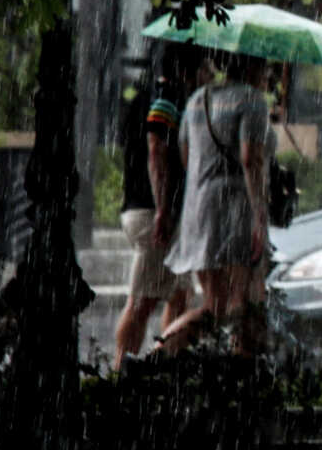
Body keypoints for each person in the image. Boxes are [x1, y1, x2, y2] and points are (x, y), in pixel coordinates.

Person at [159, 53, 275, 357]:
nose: (269, 73)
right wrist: (259, 219)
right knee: (245, 304)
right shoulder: (252, 100)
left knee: (217, 306)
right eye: (266, 66)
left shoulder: (198, 99)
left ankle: (156, 357)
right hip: (234, 212)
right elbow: (251, 160)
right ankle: (242, 379)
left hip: (198, 210)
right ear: (253, 66)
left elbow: (186, 157)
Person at [111, 48, 194, 370]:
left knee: (179, 295)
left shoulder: (143, 98)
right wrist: (163, 209)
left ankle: (166, 365)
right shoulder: (166, 98)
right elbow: (156, 150)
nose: (208, 76)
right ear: (188, 71)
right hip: (154, 214)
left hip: (149, 210)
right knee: (143, 301)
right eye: (205, 69)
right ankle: (120, 371)